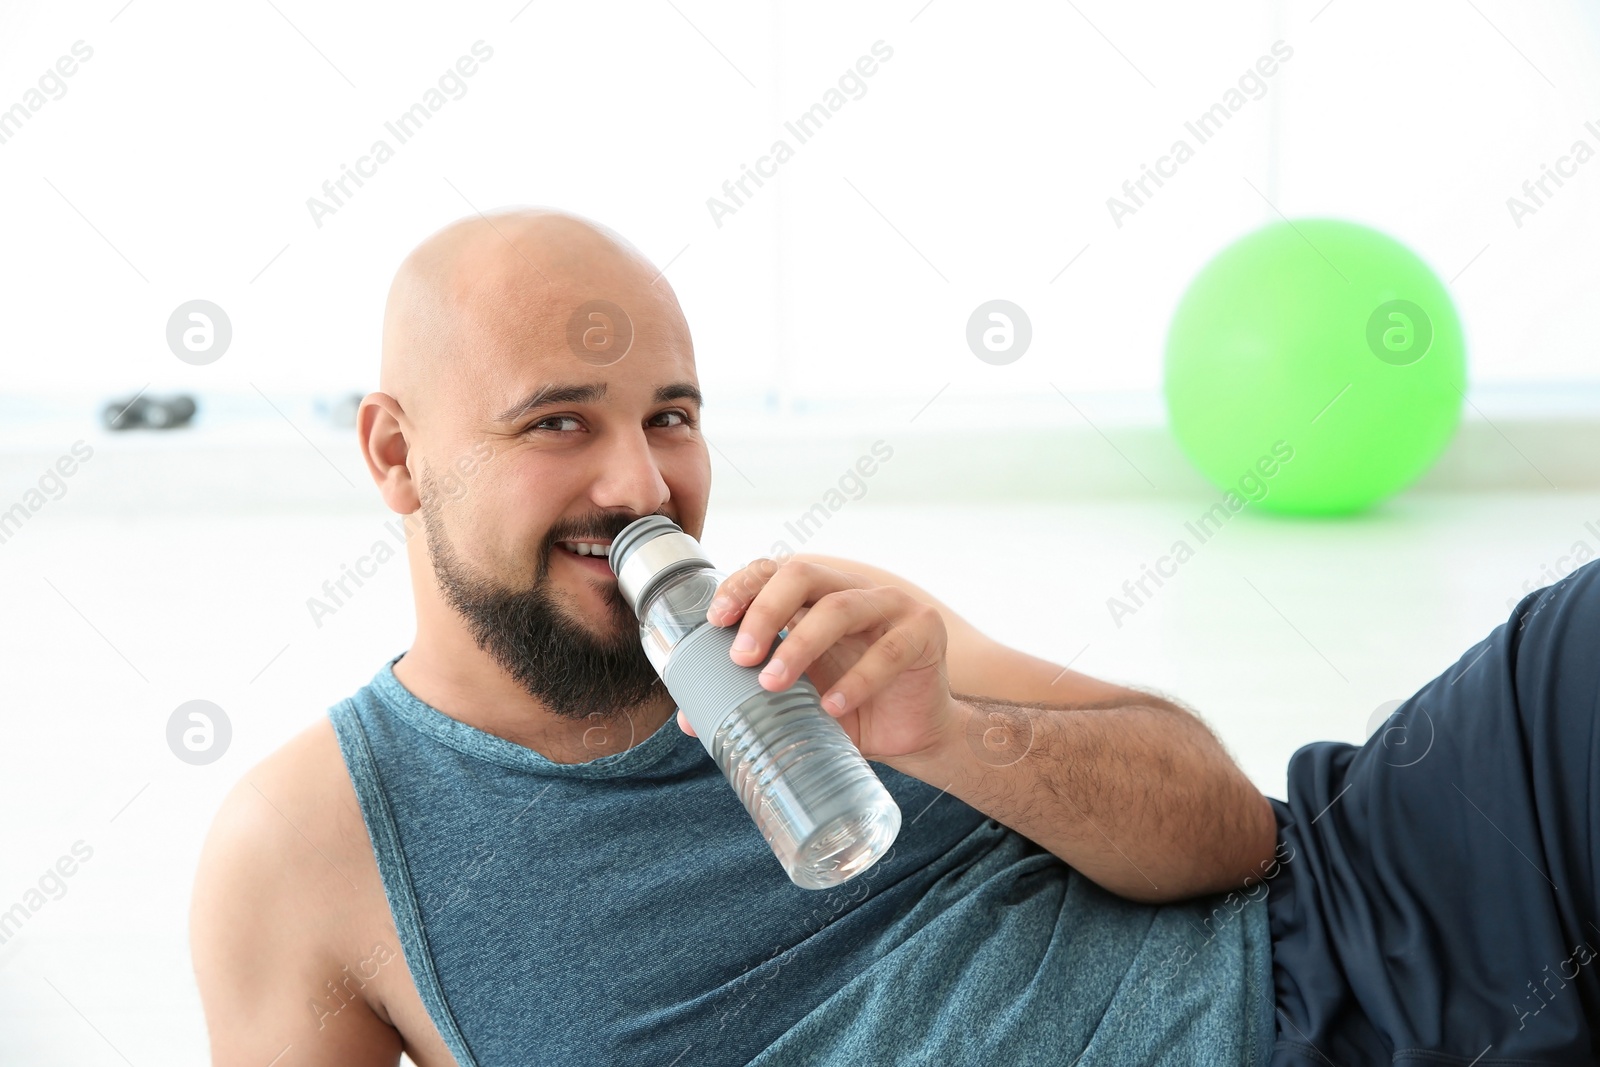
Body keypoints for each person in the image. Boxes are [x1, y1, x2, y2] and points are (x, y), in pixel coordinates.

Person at [189, 208, 1600, 1066]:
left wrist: (955, 734)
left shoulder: (816, 627)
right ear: (393, 452)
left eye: (669, 417)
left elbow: (1236, 832)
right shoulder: (307, 855)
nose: (640, 487)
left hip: (1376, 916)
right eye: (560, 422)